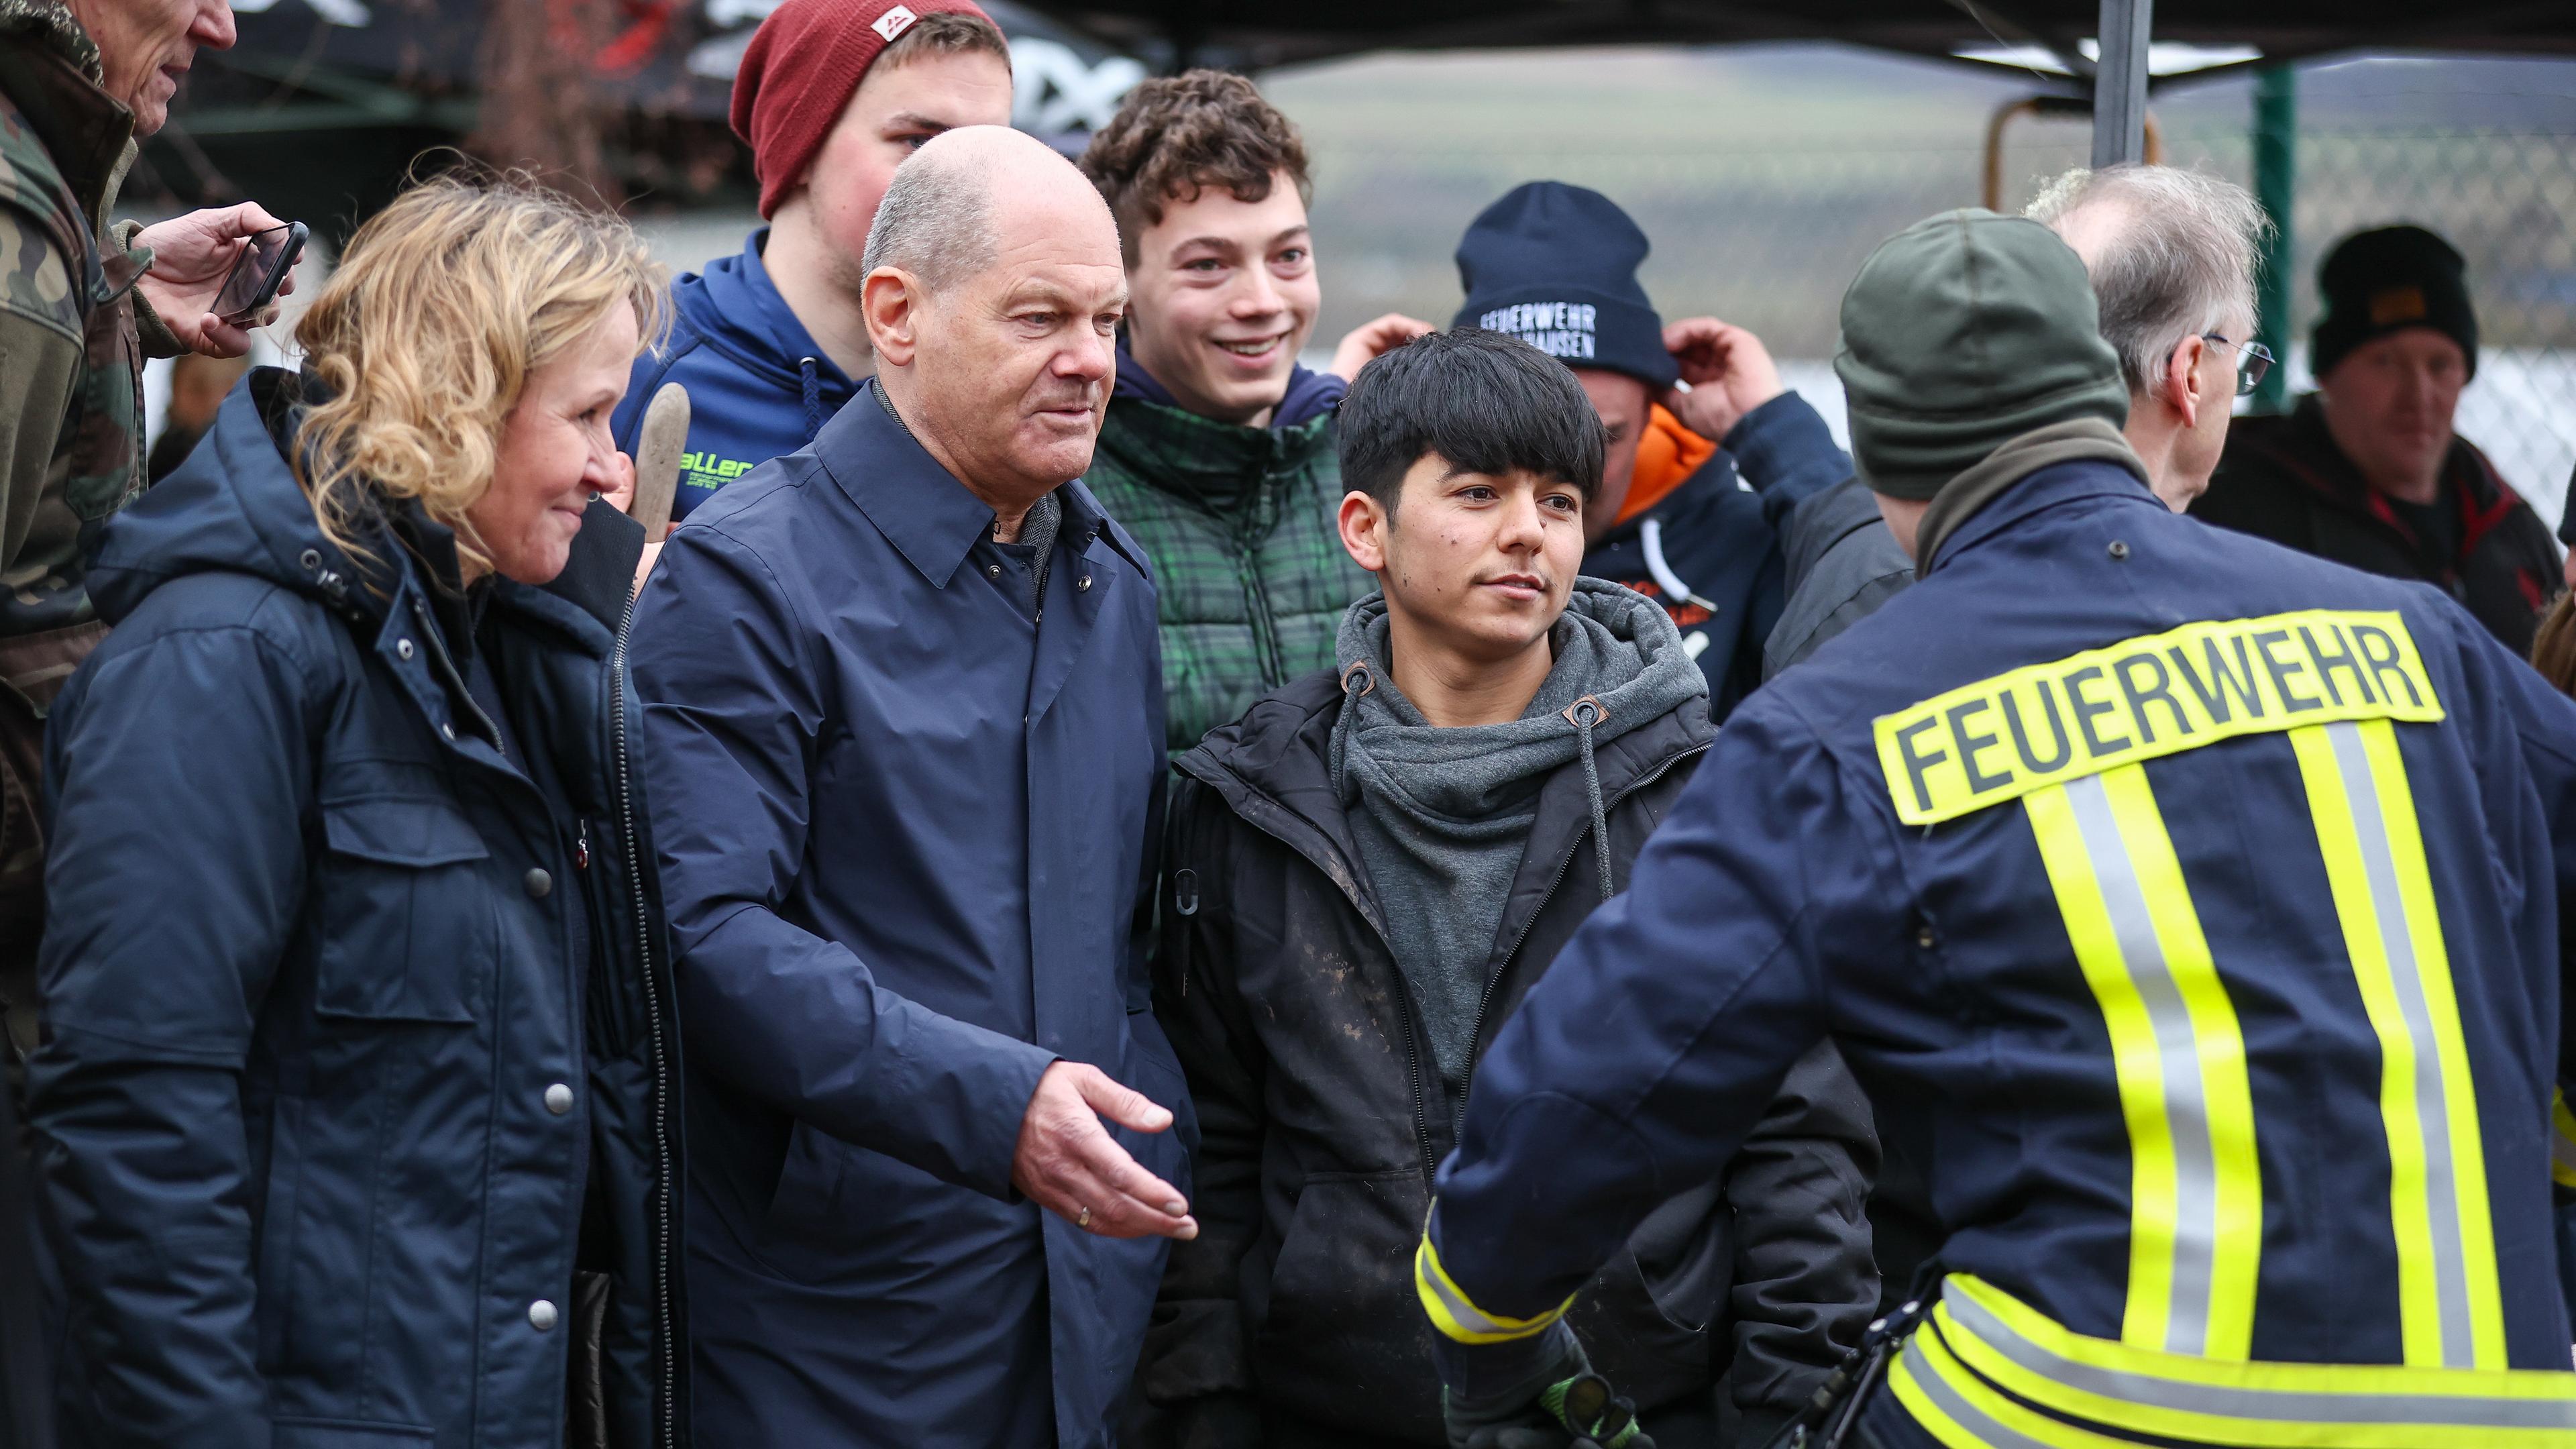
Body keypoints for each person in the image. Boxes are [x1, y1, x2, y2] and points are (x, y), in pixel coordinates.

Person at [1411, 209, 2576, 1449]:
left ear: (1878, 450)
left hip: (2075, 1412)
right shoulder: (2424, 644)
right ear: (2107, 385)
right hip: (2495, 1406)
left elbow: (1607, 1071)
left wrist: (1477, 1316)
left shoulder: (1842, 726)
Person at [30, 174, 685, 1448]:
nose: (616, 467)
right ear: (464, 398)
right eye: (592, 416)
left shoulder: (496, 641)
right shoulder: (223, 657)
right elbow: (135, 1121)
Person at [1143, 329, 1878, 1449]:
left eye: (1561, 500)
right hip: (1336, 1411)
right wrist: (1206, 1415)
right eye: (1479, 493)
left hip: (1641, 1411)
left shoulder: (1702, 790)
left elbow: (1795, 1141)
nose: (1528, 532)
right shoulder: (1255, 801)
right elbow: (1219, 1160)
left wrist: (1789, 1413)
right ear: (1365, 530)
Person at [631, 125, 1192, 1449]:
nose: (1092, 363)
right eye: (1042, 316)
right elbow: (702, 941)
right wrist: (1001, 1111)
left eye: (1108, 320)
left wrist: (1154, 1143)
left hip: (1075, 1311)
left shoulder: (1111, 582)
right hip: (831, 1337)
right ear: (897, 314)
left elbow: (1125, 944)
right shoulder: (748, 579)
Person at [1076, 70, 1424, 763]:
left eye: (1289, 255)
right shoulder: (1067, 499)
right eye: (1208, 266)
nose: (1263, 300)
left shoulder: (1372, 469)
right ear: (1122, 288)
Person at [1444, 181, 1851, 721]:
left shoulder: (1750, 547)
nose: (1571, 477)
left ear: (1655, 406)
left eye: (1604, 437)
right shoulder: (1417, 544)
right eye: (1517, 443)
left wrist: (1775, 429)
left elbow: (1896, 621)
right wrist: (1353, 439)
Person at [611, 0, 1012, 525]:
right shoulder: (631, 362)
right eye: (917, 140)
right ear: (801, 148)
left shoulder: (998, 383)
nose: (967, 186)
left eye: (991, 150)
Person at [2195, 224, 2558, 654]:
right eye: (2386, 362)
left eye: (2440, 365)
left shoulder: (2509, 525)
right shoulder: (2241, 516)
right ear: (2328, 374)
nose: (2419, 395)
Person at [146, 351, 250, 482]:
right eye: (199, 387)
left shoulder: (262, 466)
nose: (215, 402)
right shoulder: (157, 471)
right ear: (174, 393)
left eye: (229, 387)